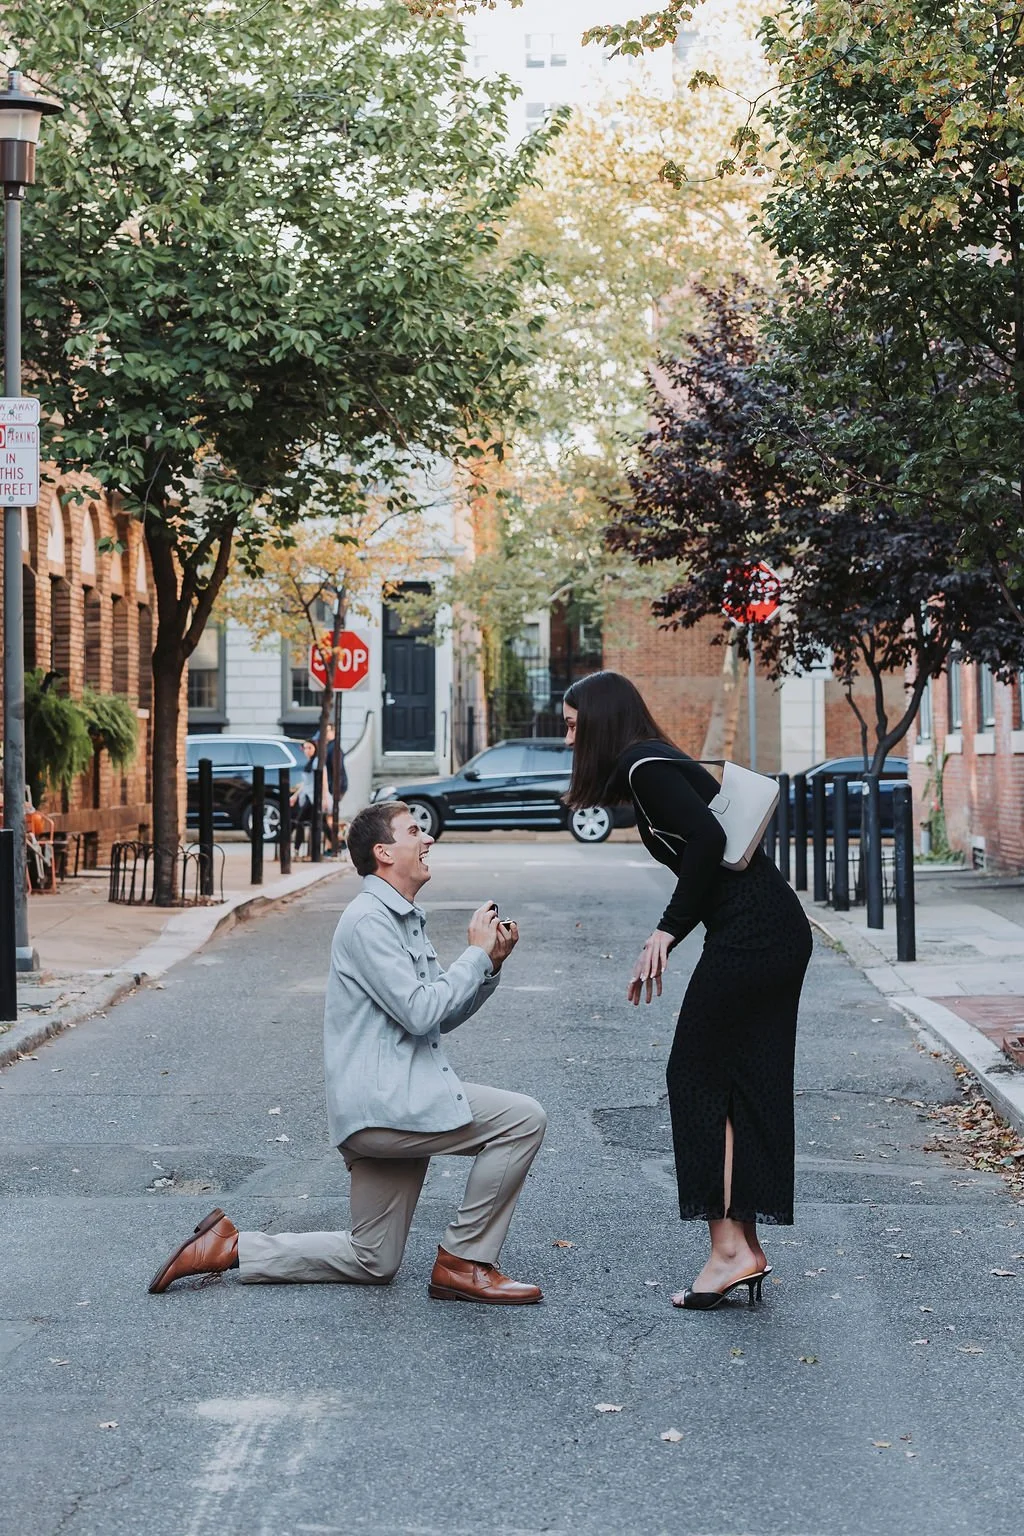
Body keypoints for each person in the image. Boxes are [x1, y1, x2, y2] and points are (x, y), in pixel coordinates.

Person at [149, 799, 546, 1305]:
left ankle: (229, 1247)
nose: (427, 839)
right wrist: (473, 954)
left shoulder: (399, 918)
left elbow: (435, 1016)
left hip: (389, 1106)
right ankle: (465, 1262)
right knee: (522, 1119)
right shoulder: (368, 921)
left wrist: (489, 966)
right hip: (388, 1107)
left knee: (372, 1258)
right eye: (414, 831)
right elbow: (421, 1012)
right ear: (384, 852)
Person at [562, 670, 812, 1311]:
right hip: (768, 928)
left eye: (572, 726)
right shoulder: (653, 761)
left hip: (754, 934)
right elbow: (712, 862)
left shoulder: (644, 767)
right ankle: (744, 1246)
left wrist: (667, 930)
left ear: (600, 722)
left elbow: (707, 840)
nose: (568, 741)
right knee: (741, 1079)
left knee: (696, 1077)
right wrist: (674, 933)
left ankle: (728, 1251)